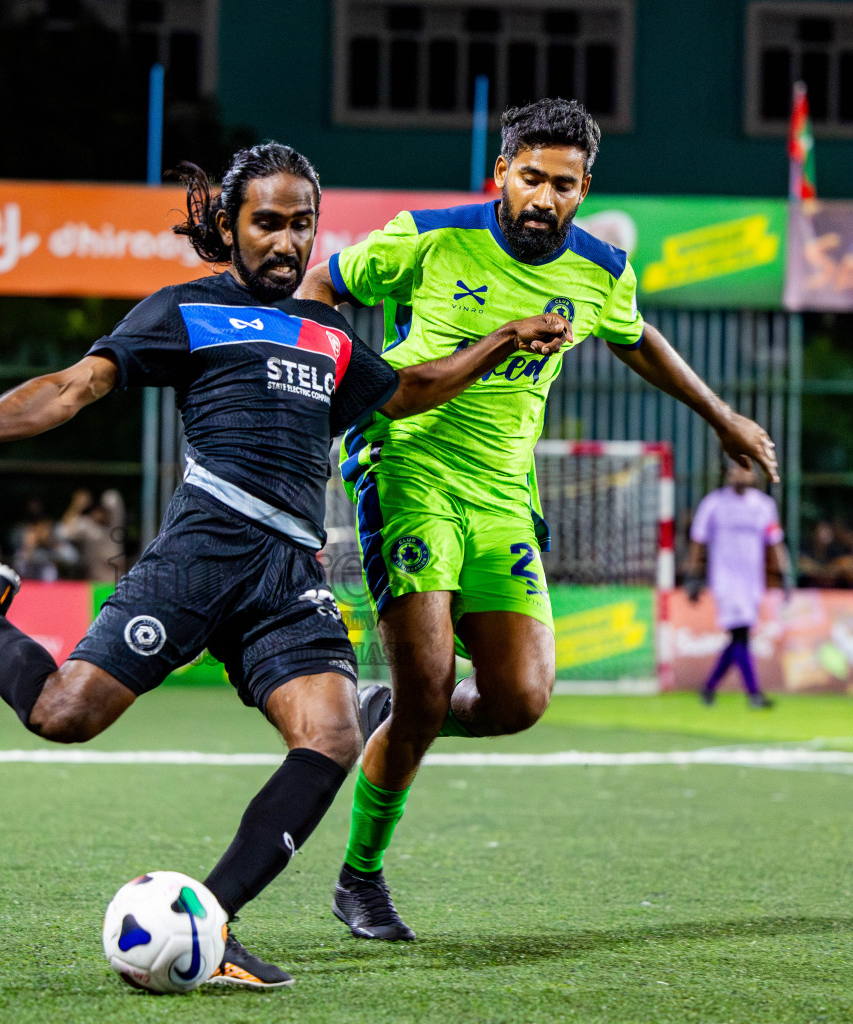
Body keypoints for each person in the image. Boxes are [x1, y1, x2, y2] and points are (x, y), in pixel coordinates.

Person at [0, 142, 571, 988]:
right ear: (228, 226)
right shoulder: (184, 312)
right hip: (204, 549)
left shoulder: (332, 334)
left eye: (301, 224)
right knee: (63, 715)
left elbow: (408, 392)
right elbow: (70, 388)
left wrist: (501, 339)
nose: (286, 242)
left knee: (336, 734)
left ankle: (215, 923)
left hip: (288, 573)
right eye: (267, 223)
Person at [298, 97, 780, 942]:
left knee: (520, 698)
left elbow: (637, 340)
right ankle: (360, 879)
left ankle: (399, 706)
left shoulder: (600, 272)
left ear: (584, 188)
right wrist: (336, 385)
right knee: (427, 688)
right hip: (406, 469)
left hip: (505, 498)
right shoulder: (430, 236)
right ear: (501, 176)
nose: (544, 197)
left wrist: (722, 416)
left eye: (563, 184)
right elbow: (321, 285)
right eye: (530, 178)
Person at [685, 461, 789, 707]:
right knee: (740, 635)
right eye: (733, 470)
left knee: (738, 638)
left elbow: (775, 541)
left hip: (752, 582)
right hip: (725, 580)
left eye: (744, 470)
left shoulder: (764, 506)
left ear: (753, 475)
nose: (738, 475)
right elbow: (698, 541)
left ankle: (709, 688)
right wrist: (693, 575)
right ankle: (754, 694)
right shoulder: (714, 504)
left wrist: (784, 575)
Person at [57, 489, 126, 582]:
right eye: (97, 510)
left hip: (116, 583)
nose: (100, 513)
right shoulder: (87, 526)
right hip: (94, 584)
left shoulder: (115, 525)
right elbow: (61, 532)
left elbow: (113, 499)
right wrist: (77, 506)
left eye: (103, 510)